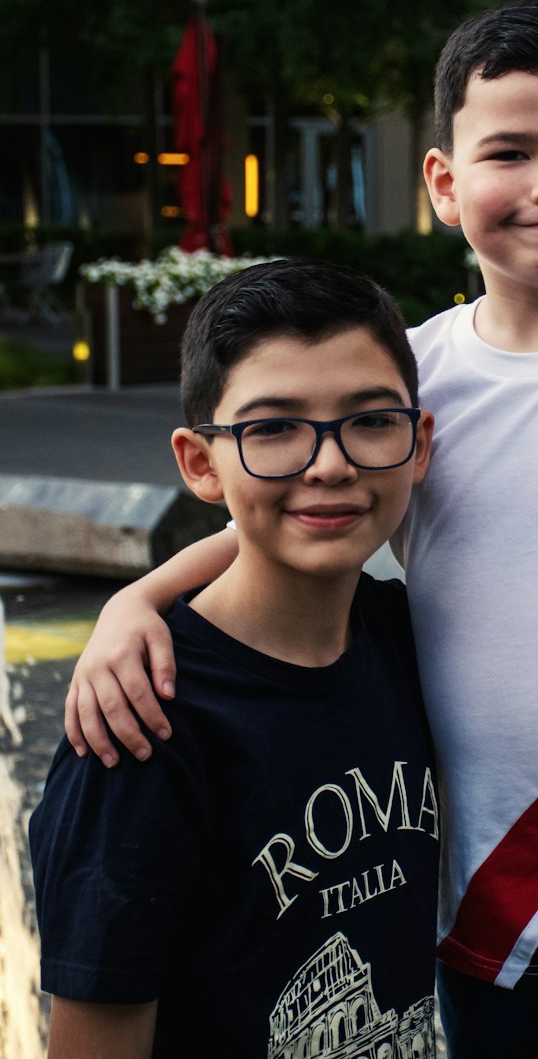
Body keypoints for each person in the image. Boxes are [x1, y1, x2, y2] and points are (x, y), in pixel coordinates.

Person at [65, 0, 538, 1059]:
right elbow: (286, 516)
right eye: (511, 151)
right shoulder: (414, 376)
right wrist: (136, 602)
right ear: (445, 185)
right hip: (465, 912)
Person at [30, 260, 441, 1059]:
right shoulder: (141, 725)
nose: (330, 463)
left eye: (370, 420)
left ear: (418, 443)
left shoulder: (406, 637)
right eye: (273, 429)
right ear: (199, 463)